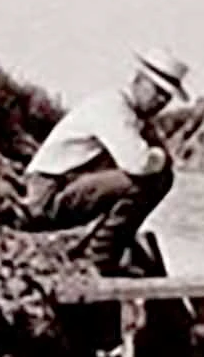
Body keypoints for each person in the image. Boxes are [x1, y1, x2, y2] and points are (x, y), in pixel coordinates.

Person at [23, 48, 191, 276]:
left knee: (159, 178)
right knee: (145, 181)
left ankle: (104, 250)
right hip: (47, 197)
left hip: (63, 189)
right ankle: (99, 258)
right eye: (157, 91)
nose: (160, 101)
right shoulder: (113, 108)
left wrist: (157, 156)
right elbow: (139, 164)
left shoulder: (134, 115)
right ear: (138, 80)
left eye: (167, 97)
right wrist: (158, 157)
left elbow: (157, 156)